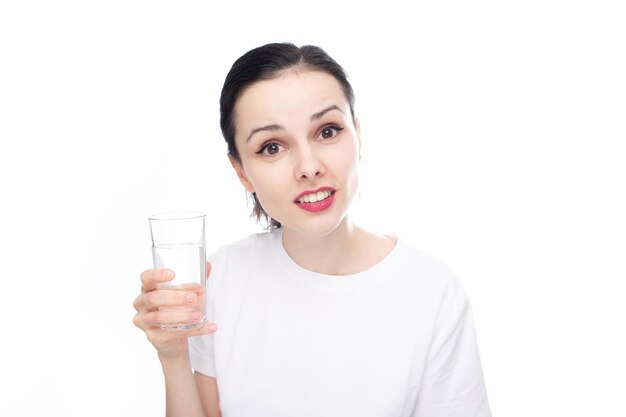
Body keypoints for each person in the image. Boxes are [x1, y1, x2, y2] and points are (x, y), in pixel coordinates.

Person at [133, 42, 491, 417]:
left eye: (327, 131)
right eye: (272, 147)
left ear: (358, 135)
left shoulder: (431, 290)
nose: (308, 166)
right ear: (241, 172)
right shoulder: (223, 277)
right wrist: (173, 356)